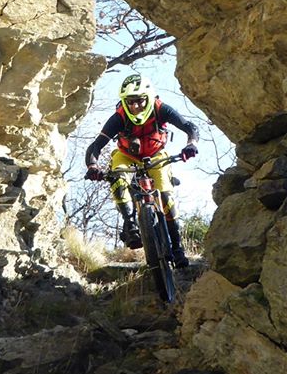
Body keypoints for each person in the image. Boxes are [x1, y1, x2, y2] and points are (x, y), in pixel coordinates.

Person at [83, 73, 200, 267]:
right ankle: (130, 224)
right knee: (118, 179)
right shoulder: (119, 117)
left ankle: (177, 248)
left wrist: (191, 144)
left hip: (156, 154)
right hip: (125, 155)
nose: (135, 106)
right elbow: (96, 145)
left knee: (166, 196)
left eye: (139, 101)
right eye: (130, 102)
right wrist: (93, 167)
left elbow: (189, 127)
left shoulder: (161, 109)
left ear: (148, 97)